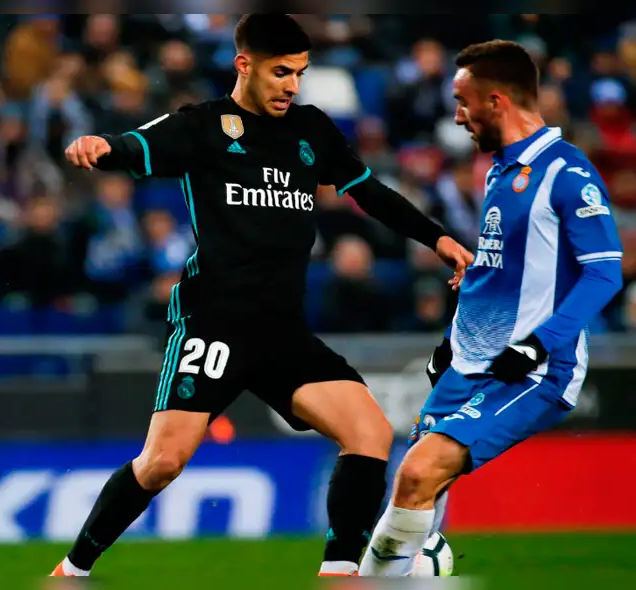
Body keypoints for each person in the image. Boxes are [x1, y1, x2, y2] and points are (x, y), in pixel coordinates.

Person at [52, 14, 474, 579]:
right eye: (280, 72)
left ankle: (341, 571)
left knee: (368, 431)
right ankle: (73, 569)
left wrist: (438, 237)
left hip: (282, 332)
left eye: (299, 73)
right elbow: (135, 143)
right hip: (214, 325)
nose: (291, 85)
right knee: (161, 463)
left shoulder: (312, 131)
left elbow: (368, 191)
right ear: (243, 64)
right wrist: (100, 146)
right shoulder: (203, 125)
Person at [359, 40, 624, 577]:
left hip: (533, 370)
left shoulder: (566, 174)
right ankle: (413, 569)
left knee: (417, 473)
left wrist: (536, 345)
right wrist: (451, 342)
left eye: (462, 102)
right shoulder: (501, 172)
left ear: (496, 101)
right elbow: (494, 272)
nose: (456, 117)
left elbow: (604, 273)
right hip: (471, 362)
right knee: (414, 490)